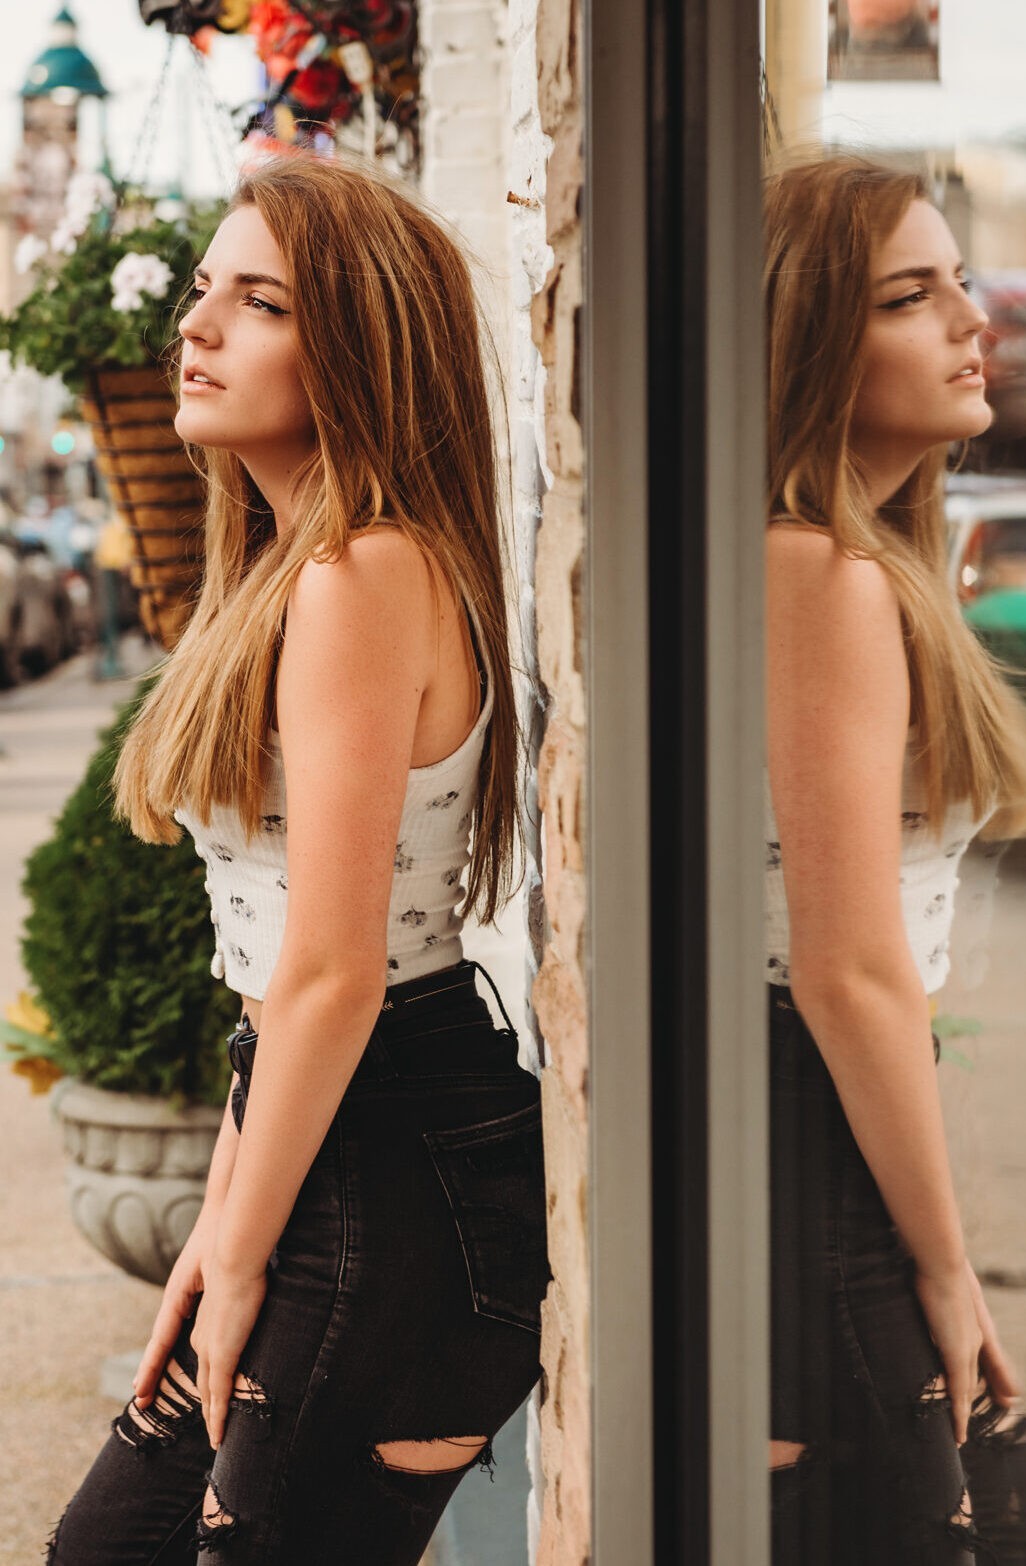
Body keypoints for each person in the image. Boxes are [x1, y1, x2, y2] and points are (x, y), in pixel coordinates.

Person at [47, 154, 548, 1565]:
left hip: (394, 1165)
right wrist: (219, 1223)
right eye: (202, 291)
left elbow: (332, 972)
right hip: (330, 1128)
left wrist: (247, 1250)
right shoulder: (298, 573)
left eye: (257, 300)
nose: (196, 329)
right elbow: (280, 985)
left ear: (364, 346)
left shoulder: (362, 576)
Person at [765, 155, 1026, 1563]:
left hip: (823, 1147)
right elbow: (847, 968)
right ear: (807, 337)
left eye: (954, 281)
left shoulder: (854, 563)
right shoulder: (815, 573)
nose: (964, 317)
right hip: (802, 1158)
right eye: (906, 294)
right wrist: (945, 1266)